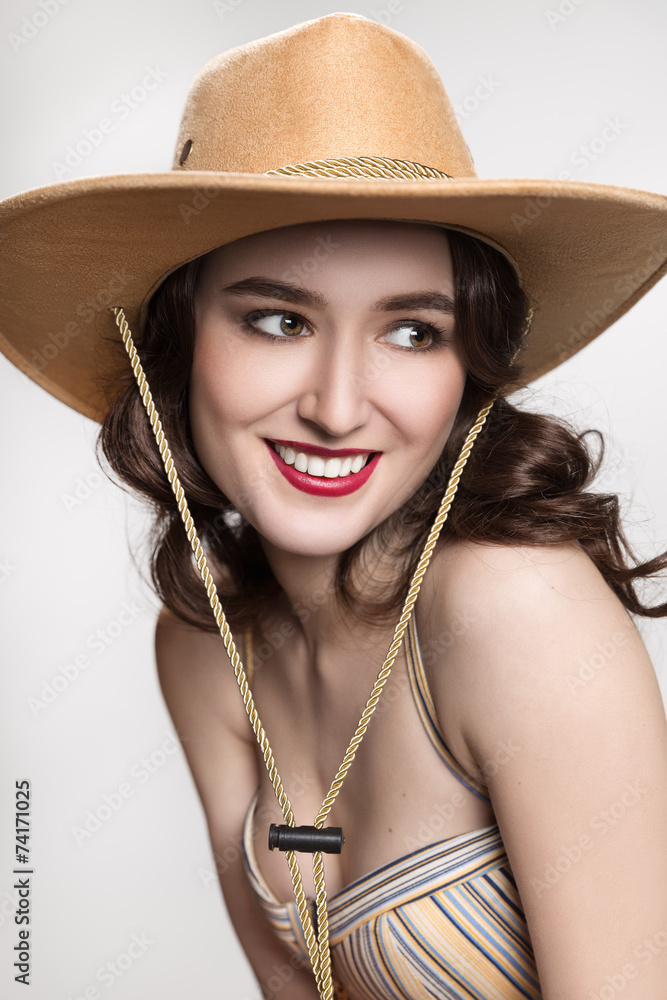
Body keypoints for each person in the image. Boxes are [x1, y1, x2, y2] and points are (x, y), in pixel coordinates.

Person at [1, 11, 667, 1000]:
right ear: (175, 345)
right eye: (279, 319)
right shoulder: (203, 645)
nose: (338, 407)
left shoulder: (512, 607)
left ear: (468, 366)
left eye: (410, 332)